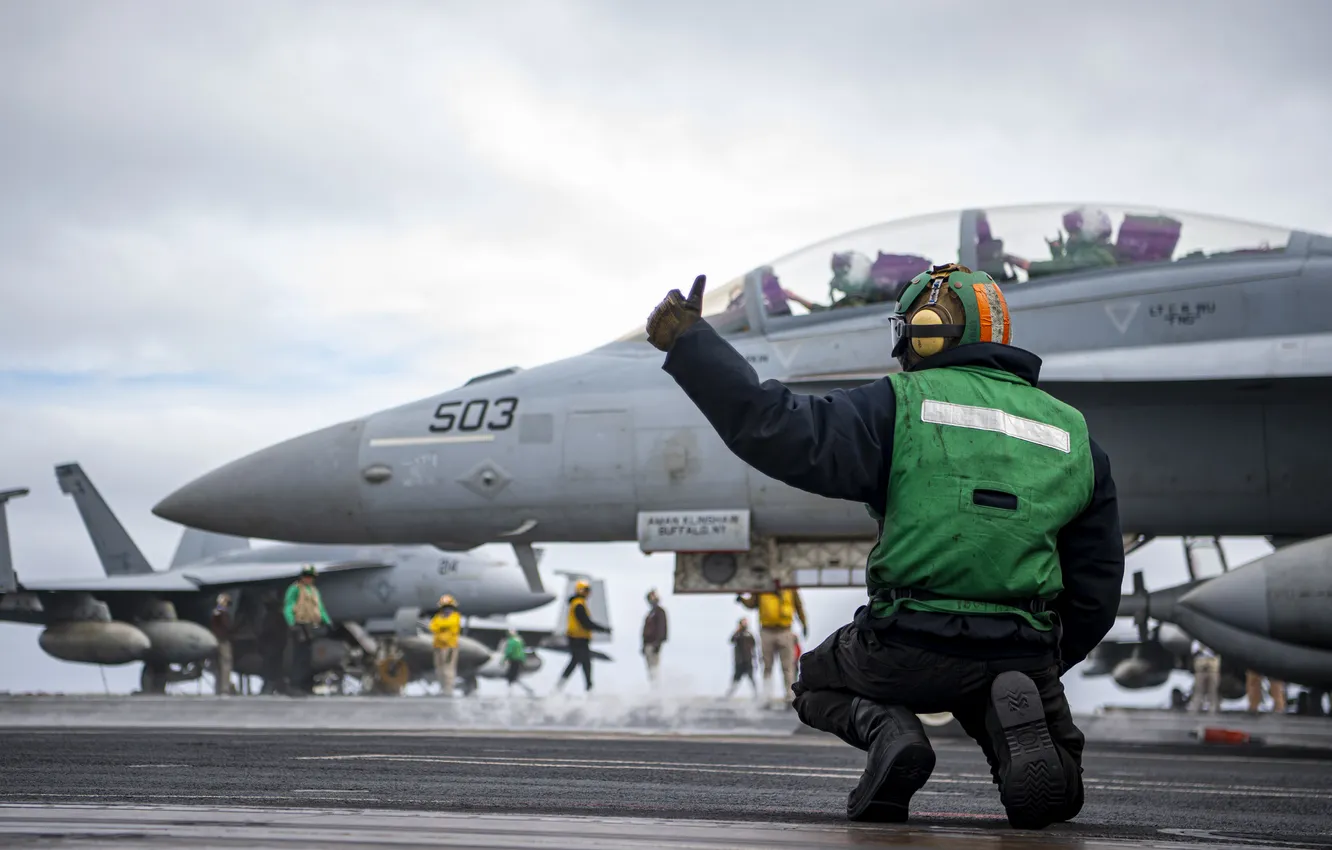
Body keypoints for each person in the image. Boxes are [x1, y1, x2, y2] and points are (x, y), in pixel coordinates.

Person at [644, 266, 1124, 829]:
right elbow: (1096, 585)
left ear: (930, 331)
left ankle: (888, 730)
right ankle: (1011, 717)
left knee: (814, 680)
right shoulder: (1074, 434)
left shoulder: (898, 404)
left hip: (904, 645)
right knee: (1060, 794)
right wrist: (1045, 663)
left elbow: (775, 427)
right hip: (1019, 649)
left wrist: (691, 343)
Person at [1006, 206, 1118, 280]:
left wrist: (1029, 266)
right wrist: (1057, 253)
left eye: (1075, 232)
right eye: (1070, 232)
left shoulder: (1099, 256)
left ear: (1092, 230)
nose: (1071, 237)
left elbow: (1067, 267)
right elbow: (1066, 273)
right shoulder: (1087, 253)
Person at [736, 588, 807, 702]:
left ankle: (789, 695)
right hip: (767, 631)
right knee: (767, 665)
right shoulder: (762, 587)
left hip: (785, 630)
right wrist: (742, 599)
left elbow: (798, 606)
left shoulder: (790, 588)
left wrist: (804, 623)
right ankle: (767, 696)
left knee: (788, 666)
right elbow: (752, 603)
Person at [282, 564, 332, 695]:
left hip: (311, 626)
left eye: (311, 576)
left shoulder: (314, 591)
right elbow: (288, 607)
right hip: (299, 625)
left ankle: (306, 685)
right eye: (307, 576)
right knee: (298, 657)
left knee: (308, 657)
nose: (309, 579)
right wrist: (291, 623)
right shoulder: (294, 589)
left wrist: (327, 621)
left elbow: (320, 608)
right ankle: (295, 685)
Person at [555, 579, 611, 693]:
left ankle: (564, 687)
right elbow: (586, 622)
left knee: (581, 662)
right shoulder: (578, 605)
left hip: (579, 638)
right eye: (586, 590)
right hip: (578, 639)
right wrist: (602, 629)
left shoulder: (579, 603)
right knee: (581, 663)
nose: (588, 593)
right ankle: (584, 689)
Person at [429, 595, 462, 697]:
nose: (447, 610)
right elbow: (432, 627)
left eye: (449, 607)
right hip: (438, 647)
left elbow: (449, 624)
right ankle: (442, 688)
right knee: (439, 669)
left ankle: (448, 690)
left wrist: (441, 626)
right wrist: (442, 626)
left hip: (449, 647)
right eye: (444, 607)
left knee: (448, 669)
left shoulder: (455, 617)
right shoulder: (437, 617)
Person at [724, 617, 759, 699]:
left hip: (748, 661)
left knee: (752, 679)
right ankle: (728, 695)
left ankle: (756, 695)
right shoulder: (737, 634)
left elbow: (753, 646)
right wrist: (737, 631)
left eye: (746, 623)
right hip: (739, 662)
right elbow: (731, 640)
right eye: (743, 623)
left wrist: (755, 659)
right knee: (736, 680)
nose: (745, 624)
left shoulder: (749, 634)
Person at [641, 589, 668, 686]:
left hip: (654, 643)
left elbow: (662, 628)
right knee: (649, 667)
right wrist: (643, 645)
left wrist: (658, 643)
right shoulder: (650, 614)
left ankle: (656, 686)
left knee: (654, 667)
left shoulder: (659, 612)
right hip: (648, 643)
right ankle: (653, 685)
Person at [210, 593, 235, 696]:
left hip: (216, 640)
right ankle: (224, 689)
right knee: (225, 664)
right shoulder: (221, 613)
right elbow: (226, 626)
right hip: (223, 641)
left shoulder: (216, 613)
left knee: (218, 665)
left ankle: (219, 688)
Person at [1190, 642, 1221, 714]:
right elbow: (1194, 651)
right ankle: (1196, 707)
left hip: (1213, 666)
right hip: (1201, 666)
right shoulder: (1197, 642)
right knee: (1199, 689)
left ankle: (1213, 708)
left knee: (1213, 690)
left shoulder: (1216, 641)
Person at [503, 628, 536, 696]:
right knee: (515, 675)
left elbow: (509, 651)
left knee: (511, 675)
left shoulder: (511, 641)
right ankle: (526, 689)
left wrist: (504, 659)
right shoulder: (519, 640)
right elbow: (522, 649)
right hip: (519, 659)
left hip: (513, 659)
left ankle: (510, 691)